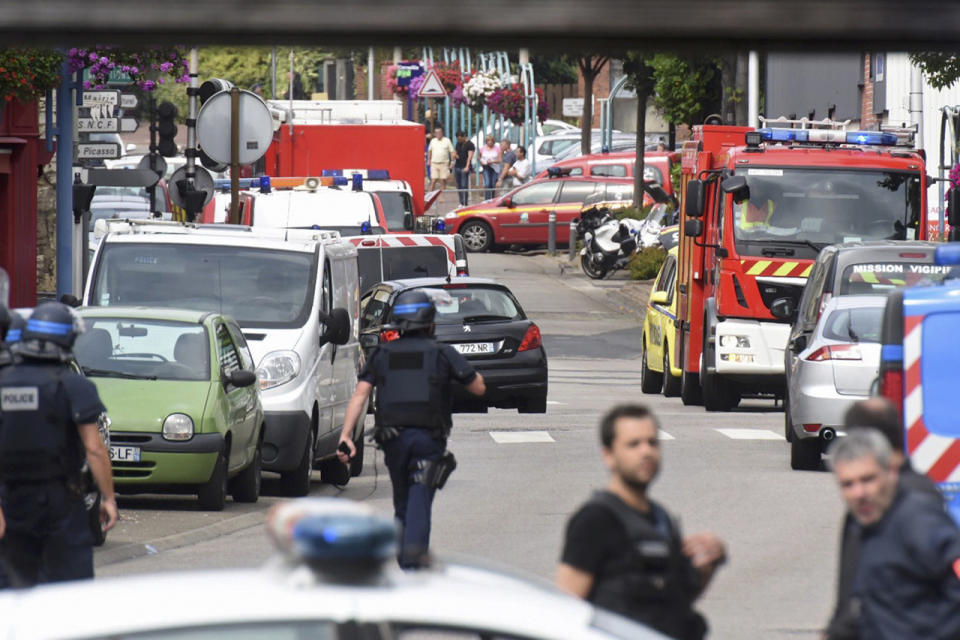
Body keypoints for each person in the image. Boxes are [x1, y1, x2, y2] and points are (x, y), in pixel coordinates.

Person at [337, 290, 485, 568]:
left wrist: (346, 436)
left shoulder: (382, 354)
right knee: (420, 495)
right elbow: (478, 386)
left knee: (402, 500)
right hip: (429, 438)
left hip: (393, 440)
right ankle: (413, 560)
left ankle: (405, 556)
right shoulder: (442, 353)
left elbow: (360, 395)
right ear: (430, 323)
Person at [556, 404, 726, 639]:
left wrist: (708, 562)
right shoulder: (594, 521)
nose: (646, 451)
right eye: (633, 444)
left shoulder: (661, 518)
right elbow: (566, 612)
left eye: (652, 442)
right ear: (609, 455)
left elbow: (673, 602)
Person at [0, 302, 118, 587]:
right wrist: (109, 498)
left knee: (13, 587)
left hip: (10, 501)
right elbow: (94, 448)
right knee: (68, 590)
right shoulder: (75, 386)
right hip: (61, 502)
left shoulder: (4, 382)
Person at [825, 397, 943, 640]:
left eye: (867, 480)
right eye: (847, 485)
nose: (858, 493)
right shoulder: (911, 495)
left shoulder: (909, 508)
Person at [427, 127, 456, 193]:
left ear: (442, 133)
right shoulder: (433, 141)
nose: (438, 134)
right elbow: (429, 151)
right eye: (436, 133)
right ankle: (429, 195)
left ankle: (442, 196)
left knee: (443, 180)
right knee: (433, 180)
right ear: (434, 134)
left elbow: (452, 151)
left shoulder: (447, 140)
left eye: (439, 132)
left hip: (444, 163)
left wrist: (452, 162)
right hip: (434, 163)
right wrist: (429, 159)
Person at [453, 130, 475, 207]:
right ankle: (461, 201)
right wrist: (454, 156)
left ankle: (465, 202)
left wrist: (467, 166)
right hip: (458, 166)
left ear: (464, 137)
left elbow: (469, 157)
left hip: (464, 166)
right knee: (459, 185)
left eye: (460, 138)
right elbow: (456, 152)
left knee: (464, 185)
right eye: (458, 139)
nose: (459, 140)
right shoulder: (458, 144)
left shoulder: (470, 144)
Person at [478, 135, 501, 200]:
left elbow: (500, 160)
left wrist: (493, 161)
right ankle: (487, 199)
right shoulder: (483, 148)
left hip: (494, 168)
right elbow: (479, 157)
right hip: (486, 167)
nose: (490, 142)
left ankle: (492, 198)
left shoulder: (497, 148)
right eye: (488, 141)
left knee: (493, 184)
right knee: (487, 183)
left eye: (491, 141)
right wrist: (481, 161)